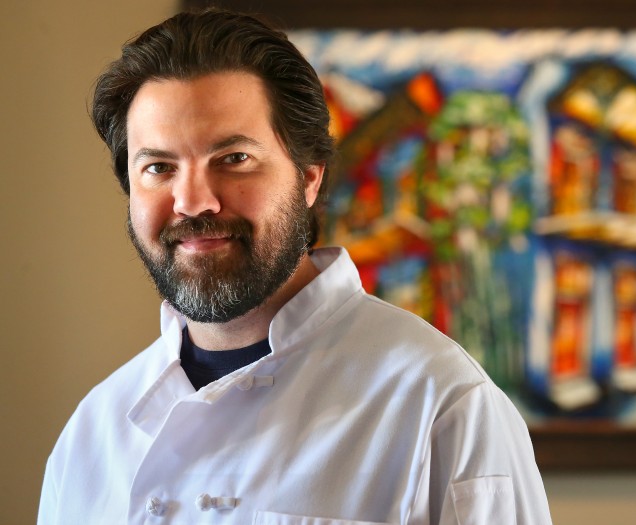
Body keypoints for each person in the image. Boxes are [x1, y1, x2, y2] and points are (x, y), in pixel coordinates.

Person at [38, 9, 552, 524]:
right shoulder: (91, 434)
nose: (193, 201)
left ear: (308, 178)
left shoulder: (442, 404)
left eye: (234, 158)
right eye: (158, 168)